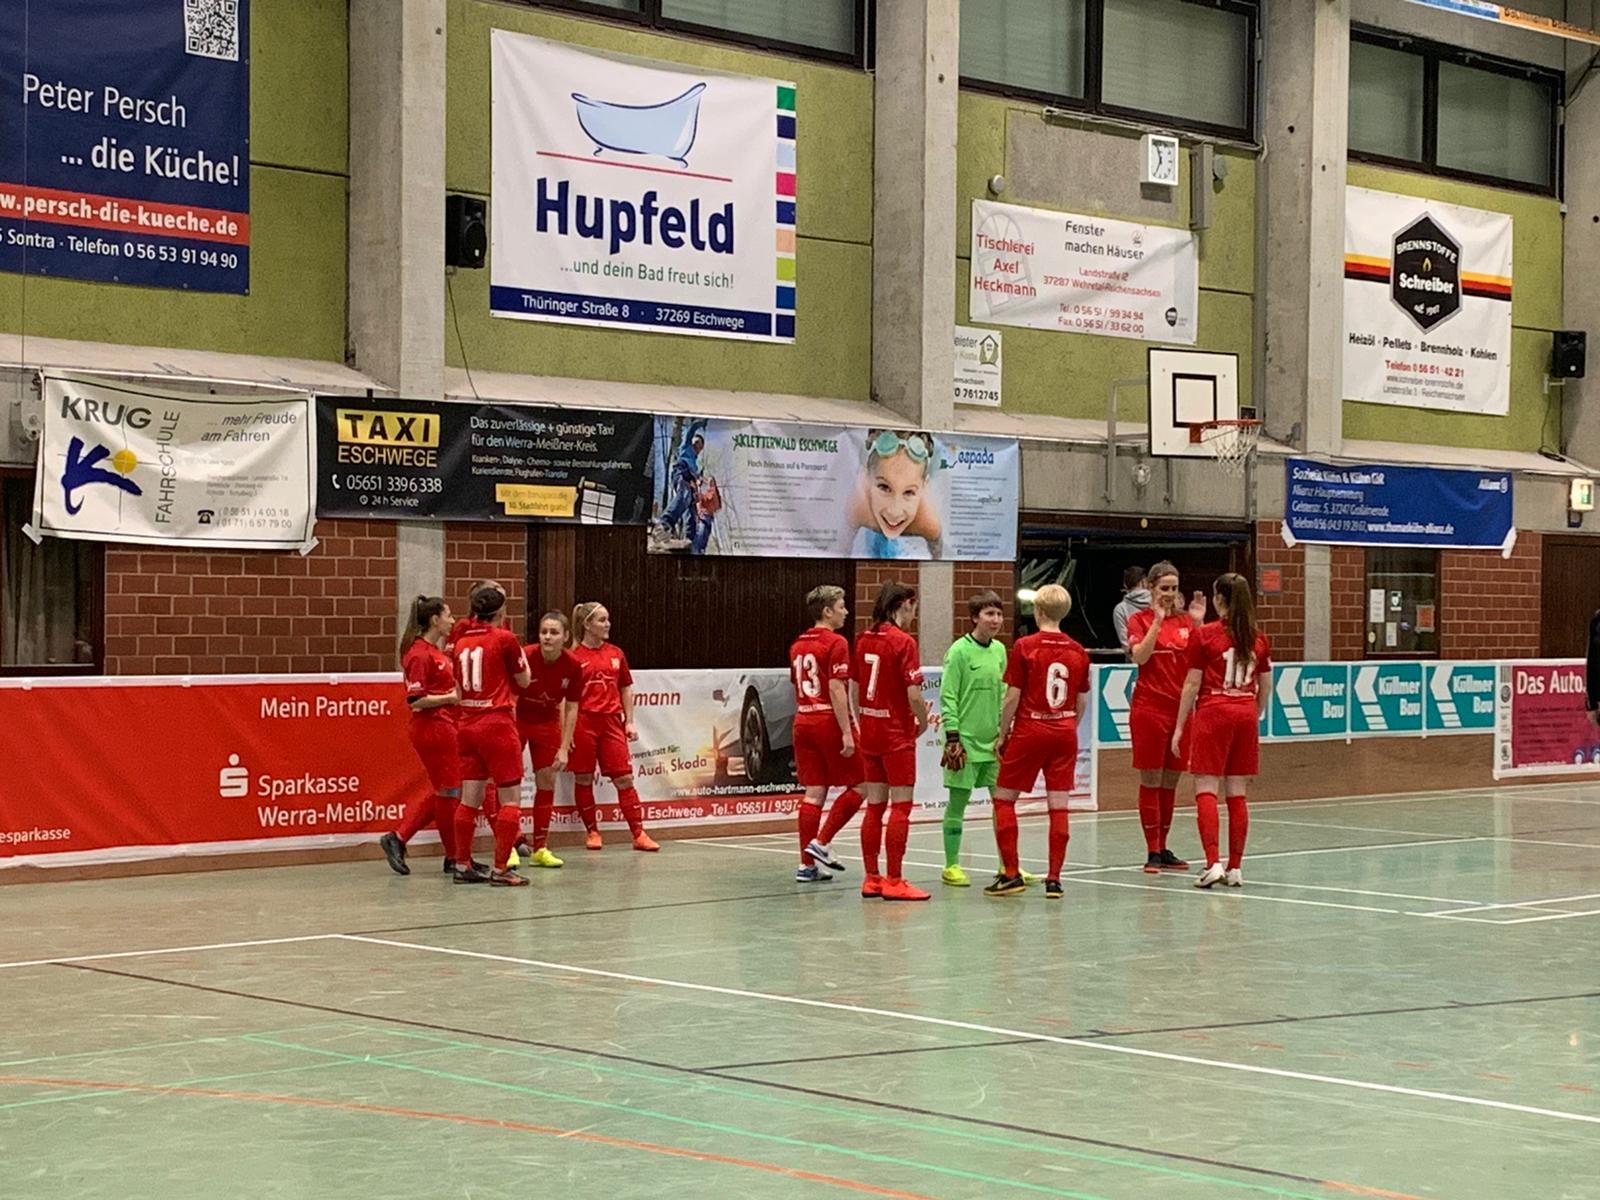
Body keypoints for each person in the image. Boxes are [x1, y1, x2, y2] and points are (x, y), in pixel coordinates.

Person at [985, 584, 1090, 899]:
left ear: (1038, 611)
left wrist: (1002, 733)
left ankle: (1011, 874)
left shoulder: (1025, 646)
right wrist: (1069, 726)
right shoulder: (1078, 651)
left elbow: (1012, 697)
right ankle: (1054, 879)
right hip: (1064, 730)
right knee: (1059, 806)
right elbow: (1082, 699)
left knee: (1004, 799)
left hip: (1031, 728)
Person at [1170, 573, 1272, 889]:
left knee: (1206, 786)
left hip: (1214, 710)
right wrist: (1254, 712)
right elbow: (1266, 684)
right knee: (1237, 790)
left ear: (1218, 599)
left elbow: (1192, 684)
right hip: (1245, 710)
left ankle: (1213, 862)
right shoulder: (1257, 637)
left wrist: (1179, 726)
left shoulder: (1205, 635)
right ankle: (1236, 867)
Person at [446, 581, 534, 886]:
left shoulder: (460, 642)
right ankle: (501, 868)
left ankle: (462, 863)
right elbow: (524, 680)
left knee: (469, 798)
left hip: (467, 722)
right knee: (510, 799)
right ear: (501, 611)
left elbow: (458, 685)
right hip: (496, 722)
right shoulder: (504, 638)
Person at [1125, 562, 1208, 874]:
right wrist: (1157, 622)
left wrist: (1198, 624)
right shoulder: (1139, 620)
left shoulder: (1187, 621)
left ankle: (1163, 846)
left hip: (1181, 711)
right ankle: (1152, 851)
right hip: (1149, 709)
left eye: (1174, 588)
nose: (1169, 594)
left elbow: (1203, 659)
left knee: (1171, 780)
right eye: (1164, 588)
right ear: (1151, 588)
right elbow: (1140, 656)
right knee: (1151, 778)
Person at [853, 581, 931, 901]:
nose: (914, 615)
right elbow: (914, 694)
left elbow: (856, 687)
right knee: (901, 806)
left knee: (874, 805)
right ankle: (895, 880)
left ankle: (871, 877)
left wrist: (862, 720)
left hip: (870, 731)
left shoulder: (863, 639)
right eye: (914, 608)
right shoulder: (903, 642)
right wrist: (923, 721)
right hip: (896, 734)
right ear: (904, 605)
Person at [379, 595, 463, 876]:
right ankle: (452, 856)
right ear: (435, 620)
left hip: (444, 725)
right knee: (449, 790)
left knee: (446, 790)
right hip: (432, 728)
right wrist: (450, 697)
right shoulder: (419, 654)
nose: (452, 621)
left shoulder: (436, 652)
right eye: (448, 615)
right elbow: (415, 700)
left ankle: (401, 838)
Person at [788, 585, 866, 883]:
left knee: (814, 792)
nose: (846, 611)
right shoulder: (836, 642)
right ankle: (822, 841)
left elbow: (796, 686)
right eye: (841, 606)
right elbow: (835, 687)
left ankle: (806, 865)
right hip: (827, 720)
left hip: (803, 719)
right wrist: (847, 731)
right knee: (862, 783)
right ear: (827, 611)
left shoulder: (798, 644)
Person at [569, 601, 659, 852]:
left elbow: (626, 688)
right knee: (584, 777)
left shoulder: (616, 653)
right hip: (583, 722)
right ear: (587, 625)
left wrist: (629, 721)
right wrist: (566, 734)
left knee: (625, 778)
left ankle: (638, 833)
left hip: (611, 723)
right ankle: (592, 832)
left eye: (607, 619)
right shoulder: (573, 657)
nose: (608, 624)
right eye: (602, 620)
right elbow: (566, 700)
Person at [937, 592, 1008, 887]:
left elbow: (1004, 693)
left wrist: (1004, 731)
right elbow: (948, 696)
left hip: (993, 743)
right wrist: (953, 736)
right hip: (964, 742)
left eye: (999, 614)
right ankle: (951, 865)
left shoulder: (1000, 650)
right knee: (958, 803)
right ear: (974, 618)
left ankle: (1008, 865)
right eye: (989, 614)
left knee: (1002, 802)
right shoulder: (958, 652)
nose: (996, 620)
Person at [513, 611, 582, 869]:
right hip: (518, 720)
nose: (547, 637)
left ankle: (540, 848)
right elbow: (510, 696)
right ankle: (508, 845)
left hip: (547, 722)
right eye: (544, 632)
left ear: (565, 636)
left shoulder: (573, 665)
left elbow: (572, 706)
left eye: (554, 633)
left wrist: (564, 746)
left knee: (547, 779)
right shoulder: (525, 656)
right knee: (508, 782)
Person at [847, 430, 942, 559]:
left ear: (924, 486)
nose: (894, 512)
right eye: (884, 487)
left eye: (909, 492)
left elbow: (939, 558)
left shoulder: (928, 522)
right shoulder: (857, 508)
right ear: (867, 479)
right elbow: (840, 550)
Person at [1112, 566, 1151, 658]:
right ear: (1144, 582)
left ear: (1125, 585)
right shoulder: (1159, 603)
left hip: (1134, 660)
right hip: (1161, 661)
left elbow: (1125, 643)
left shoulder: (1120, 609)